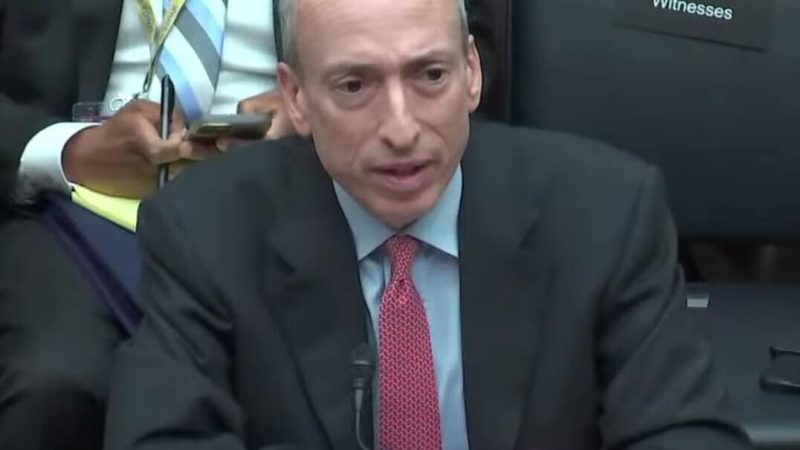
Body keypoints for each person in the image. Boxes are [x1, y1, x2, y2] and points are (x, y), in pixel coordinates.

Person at [103, 0, 752, 449]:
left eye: (430, 76)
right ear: (296, 98)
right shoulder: (204, 231)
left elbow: (683, 433)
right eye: (354, 86)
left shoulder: (608, 213)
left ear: (472, 72)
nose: (401, 128)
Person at [0, 1, 496, 449]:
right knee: (52, 386)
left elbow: (450, 41)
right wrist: (67, 149)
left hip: (311, 184)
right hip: (76, 205)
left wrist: (330, 103)